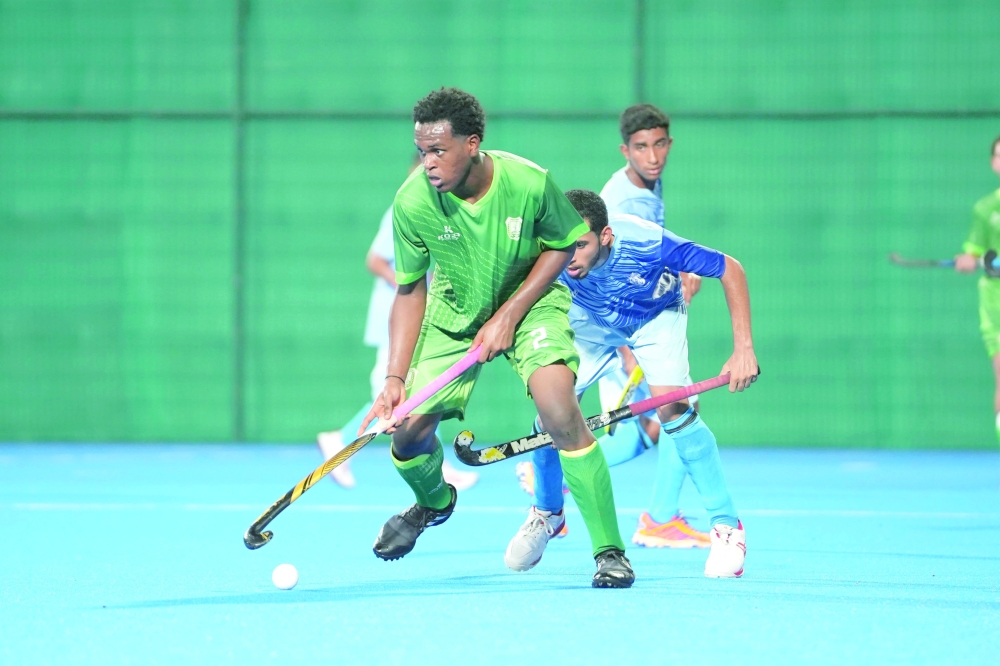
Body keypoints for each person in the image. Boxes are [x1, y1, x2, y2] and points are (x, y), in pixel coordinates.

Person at [358, 87, 634, 588]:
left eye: (438, 150)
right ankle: (433, 502)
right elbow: (410, 289)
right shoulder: (412, 201)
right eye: (422, 151)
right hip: (455, 307)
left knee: (560, 411)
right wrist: (395, 378)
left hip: (531, 302)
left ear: (472, 144)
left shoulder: (528, 182)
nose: (428, 163)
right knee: (408, 434)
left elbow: (562, 245)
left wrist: (509, 315)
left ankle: (610, 551)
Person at [504, 189, 758, 578]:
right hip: (588, 319)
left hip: (655, 317)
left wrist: (743, 349)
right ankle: (547, 512)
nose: (570, 255)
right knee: (552, 409)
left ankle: (727, 525)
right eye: (564, 245)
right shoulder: (552, 248)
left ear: (605, 236)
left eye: (581, 245)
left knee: (672, 410)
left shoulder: (647, 242)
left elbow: (730, 267)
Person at [517, 104, 710, 548]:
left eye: (659, 145)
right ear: (626, 150)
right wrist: (626, 346)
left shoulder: (646, 187)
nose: (653, 157)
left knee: (656, 425)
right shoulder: (624, 200)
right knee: (679, 409)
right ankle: (654, 517)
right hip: (608, 329)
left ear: (669, 143)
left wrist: (678, 272)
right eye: (642, 147)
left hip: (622, 324)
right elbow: (604, 272)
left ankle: (563, 481)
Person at [316, 155, 478, 492]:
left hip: (420, 316)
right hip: (397, 318)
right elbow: (375, 260)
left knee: (423, 384)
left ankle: (432, 460)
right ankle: (340, 440)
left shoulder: (441, 211)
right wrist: (409, 285)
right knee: (394, 390)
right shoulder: (403, 209)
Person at [954, 135, 1000, 441]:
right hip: (996, 302)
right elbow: (973, 253)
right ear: (993, 163)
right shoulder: (986, 209)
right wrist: (968, 260)